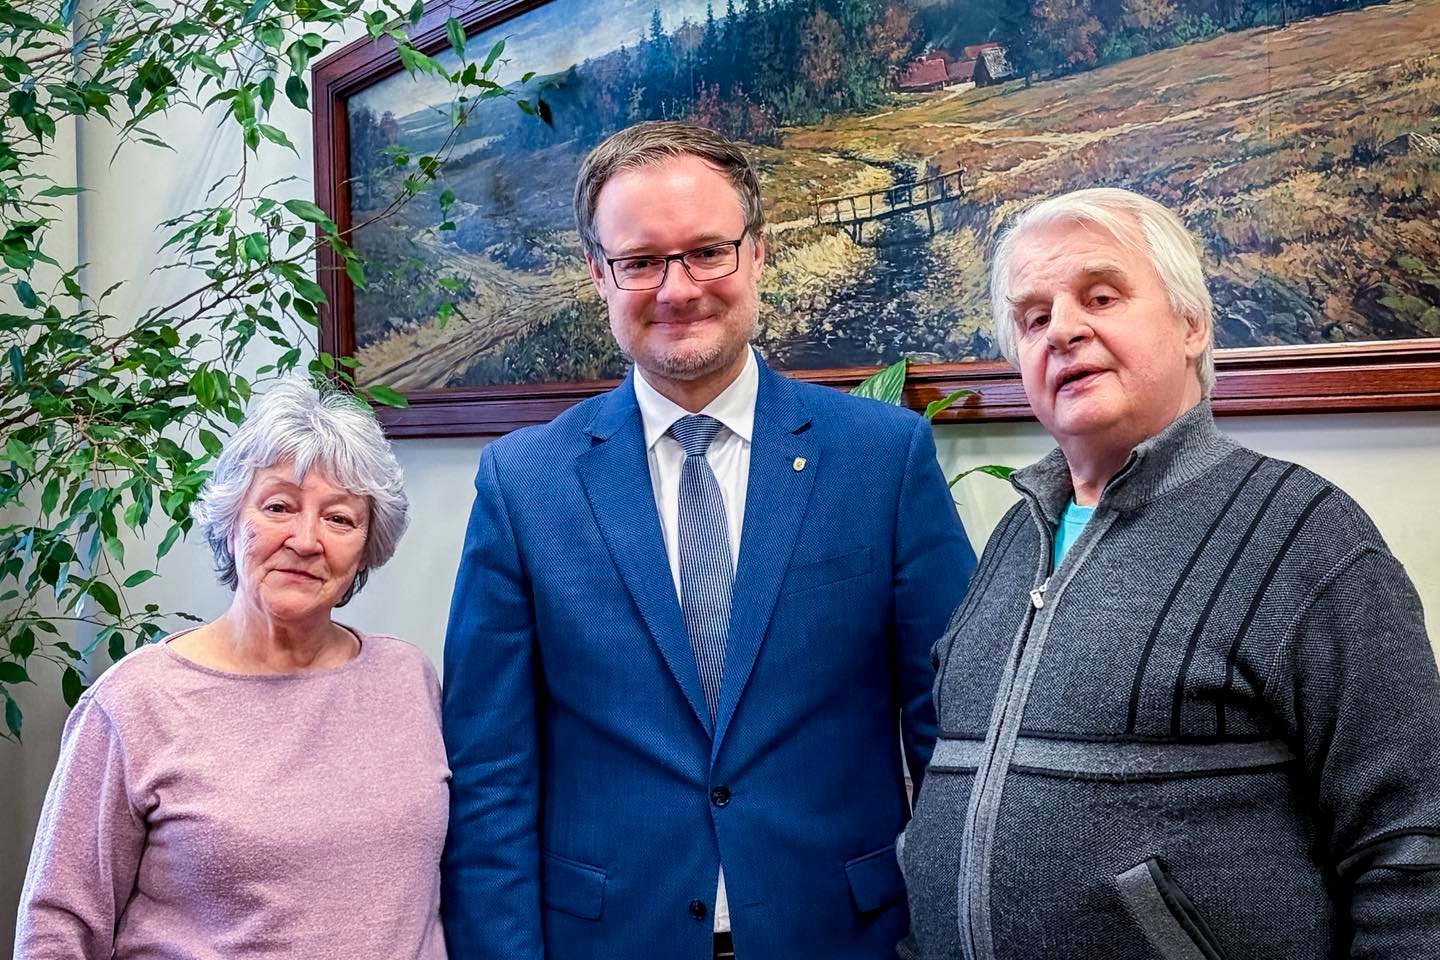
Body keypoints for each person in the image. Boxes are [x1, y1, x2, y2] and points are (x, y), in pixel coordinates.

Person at [441, 120, 976, 960]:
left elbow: (954, 731)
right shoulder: (524, 483)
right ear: (599, 275)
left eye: (706, 251)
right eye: (642, 260)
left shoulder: (881, 457)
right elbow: (490, 775)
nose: (678, 287)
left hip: (847, 936)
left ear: (756, 253)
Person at [899, 187, 1440, 959]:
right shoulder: (1013, 538)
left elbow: (1412, 841)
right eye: (1033, 316)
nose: (1063, 331)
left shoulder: (1306, 535)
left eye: (1101, 296)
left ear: (1192, 325)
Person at [14, 378, 449, 960]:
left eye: (340, 519)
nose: (305, 539)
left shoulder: (407, 679)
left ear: (369, 546)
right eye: (278, 507)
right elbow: (56, 930)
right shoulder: (133, 704)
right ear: (230, 519)